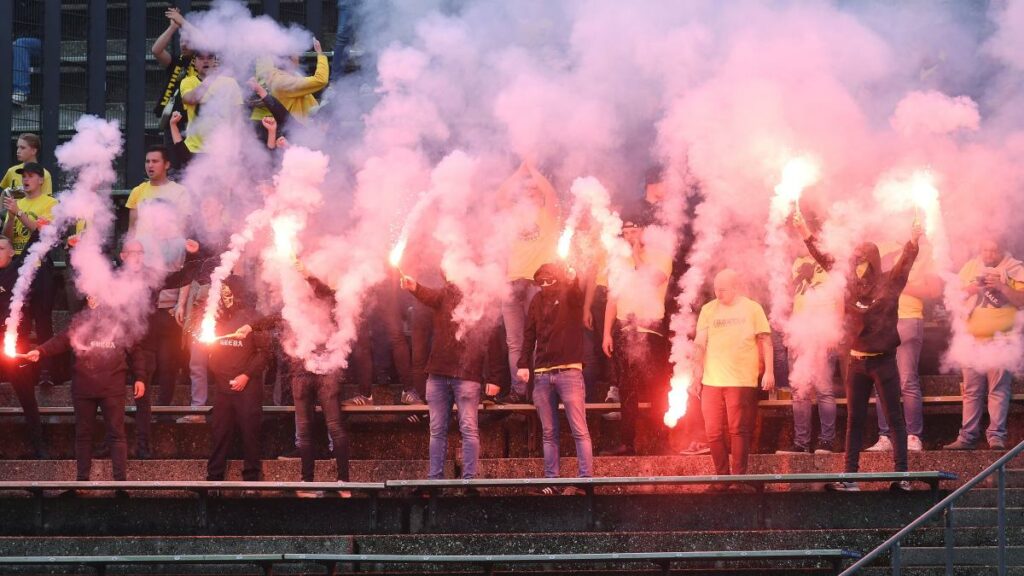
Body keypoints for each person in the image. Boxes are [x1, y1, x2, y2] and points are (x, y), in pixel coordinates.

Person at [795, 212, 922, 492]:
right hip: (856, 362)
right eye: (856, 261)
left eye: (863, 261)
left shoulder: (889, 283)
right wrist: (804, 231)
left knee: (894, 419)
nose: (857, 267)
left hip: (884, 362)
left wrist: (914, 239)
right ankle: (850, 477)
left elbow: (906, 261)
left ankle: (902, 476)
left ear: (873, 262)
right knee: (854, 420)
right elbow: (823, 258)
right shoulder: (848, 283)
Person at [23, 296, 148, 489]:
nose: (93, 297)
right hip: (83, 386)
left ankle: (121, 483)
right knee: (83, 434)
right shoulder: (80, 320)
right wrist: (40, 351)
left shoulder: (120, 320)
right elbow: (62, 339)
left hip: (113, 386)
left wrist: (140, 377)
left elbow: (136, 350)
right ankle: (82, 481)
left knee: (117, 434)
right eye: (89, 293)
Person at [399, 272, 501, 484]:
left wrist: (494, 377)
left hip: (467, 376)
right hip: (437, 375)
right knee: (437, 430)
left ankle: (469, 481)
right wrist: (415, 286)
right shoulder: (445, 295)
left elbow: (492, 340)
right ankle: (435, 480)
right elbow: (429, 295)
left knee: (469, 429)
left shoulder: (480, 300)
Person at [692, 269, 774, 490]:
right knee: (712, 431)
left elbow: (765, 340)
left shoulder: (752, 308)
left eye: (724, 289)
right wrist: (695, 373)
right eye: (716, 289)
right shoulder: (708, 309)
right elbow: (700, 342)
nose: (719, 293)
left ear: (736, 287)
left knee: (739, 430)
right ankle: (721, 479)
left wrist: (769, 371)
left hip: (741, 380)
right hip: (712, 380)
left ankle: (737, 479)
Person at [517, 263, 592, 495]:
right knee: (548, 432)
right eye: (542, 282)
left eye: (550, 280)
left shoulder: (569, 294)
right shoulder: (537, 302)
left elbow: (578, 295)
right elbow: (529, 334)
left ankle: (585, 481)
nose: (546, 285)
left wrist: (572, 277)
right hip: (542, 374)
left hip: (569, 371)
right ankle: (552, 481)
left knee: (579, 429)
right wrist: (522, 364)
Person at [601, 219, 673, 456]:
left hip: (651, 330)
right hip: (625, 329)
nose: (630, 236)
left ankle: (661, 441)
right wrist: (606, 334)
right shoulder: (618, 261)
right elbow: (612, 299)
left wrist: (636, 254)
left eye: (634, 231)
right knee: (627, 390)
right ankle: (627, 443)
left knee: (656, 389)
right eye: (626, 232)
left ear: (644, 231)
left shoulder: (660, 255)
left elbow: (652, 280)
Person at [944, 239, 1024, 451]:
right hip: (971, 340)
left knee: (998, 390)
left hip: (1002, 340)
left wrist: (1001, 286)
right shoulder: (970, 267)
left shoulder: (1015, 268)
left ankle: (996, 436)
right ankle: (967, 437)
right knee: (971, 391)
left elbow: (1021, 300)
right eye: (985, 249)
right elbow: (952, 298)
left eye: (993, 249)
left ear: (1002, 249)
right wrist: (971, 289)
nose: (988, 254)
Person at [867, 242, 941, 453]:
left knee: (907, 380)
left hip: (909, 319)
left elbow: (935, 290)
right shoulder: (885, 255)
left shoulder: (925, 254)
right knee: (880, 382)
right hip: (883, 321)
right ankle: (885, 436)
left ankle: (912, 435)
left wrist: (901, 284)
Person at [498, 160, 560, 403]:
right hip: (513, 283)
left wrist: (533, 169)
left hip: (539, 285)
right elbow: (501, 196)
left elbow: (552, 195)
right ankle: (519, 391)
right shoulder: (514, 215)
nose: (530, 193)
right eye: (526, 190)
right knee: (514, 343)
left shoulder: (548, 215)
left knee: (537, 341)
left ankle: (539, 391)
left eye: (534, 191)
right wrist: (520, 169)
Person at [206, 275, 271, 482]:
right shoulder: (216, 318)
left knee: (250, 434)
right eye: (222, 293)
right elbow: (212, 353)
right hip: (223, 388)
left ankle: (252, 477)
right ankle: (214, 477)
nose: (225, 298)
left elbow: (264, 354)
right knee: (219, 433)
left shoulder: (253, 319)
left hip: (248, 388)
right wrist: (219, 373)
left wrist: (245, 375)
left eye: (228, 292)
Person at [777, 245, 839, 455]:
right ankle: (801, 443)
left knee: (823, 389)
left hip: (822, 330)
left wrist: (835, 330)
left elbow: (839, 297)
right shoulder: (796, 263)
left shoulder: (829, 260)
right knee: (799, 390)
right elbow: (792, 297)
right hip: (799, 332)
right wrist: (789, 330)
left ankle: (827, 441)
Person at [2, 162, 58, 386]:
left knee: (43, 321)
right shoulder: (17, 203)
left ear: (41, 180)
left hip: (40, 267)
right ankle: (19, 369)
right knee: (19, 320)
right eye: (23, 176)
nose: (25, 180)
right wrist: (12, 215)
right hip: (18, 267)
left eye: (30, 176)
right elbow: (6, 238)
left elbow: (42, 232)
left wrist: (20, 212)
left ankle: (47, 372)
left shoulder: (51, 203)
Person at [0, 235, 46, 457]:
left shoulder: (18, 270)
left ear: (11, 252)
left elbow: (31, 248)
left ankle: (39, 447)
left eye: (1, 248)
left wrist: (39, 229)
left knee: (27, 397)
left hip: (16, 345)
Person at [251, 39, 329, 123]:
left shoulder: (286, 76)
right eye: (296, 56)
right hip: (298, 129)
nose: (298, 59)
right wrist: (320, 54)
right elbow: (321, 80)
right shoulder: (283, 82)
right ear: (288, 60)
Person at [180, 52, 243, 156]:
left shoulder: (230, 83)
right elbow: (191, 99)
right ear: (194, 62)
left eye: (210, 57)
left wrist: (236, 146)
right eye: (200, 58)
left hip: (223, 149)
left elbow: (237, 118)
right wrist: (211, 77)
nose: (205, 61)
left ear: (215, 61)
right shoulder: (187, 82)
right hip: (195, 150)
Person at [151, 7, 195, 147]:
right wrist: (173, 27)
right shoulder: (176, 61)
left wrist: (182, 21)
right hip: (173, 120)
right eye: (181, 41)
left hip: (196, 121)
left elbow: (204, 40)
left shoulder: (204, 61)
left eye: (188, 41)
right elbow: (156, 50)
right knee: (173, 160)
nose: (183, 44)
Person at [125, 146, 188, 234]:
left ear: (166, 165)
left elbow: (183, 229)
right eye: (147, 161)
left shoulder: (181, 192)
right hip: (141, 246)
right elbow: (132, 230)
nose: (150, 165)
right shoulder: (137, 191)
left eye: (155, 161)